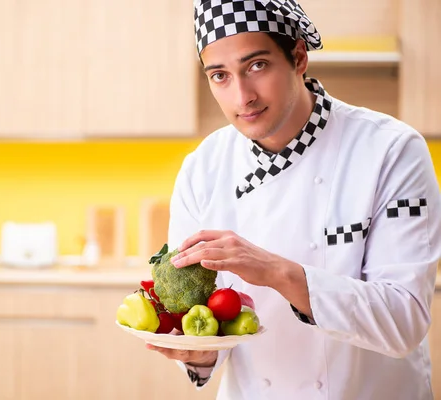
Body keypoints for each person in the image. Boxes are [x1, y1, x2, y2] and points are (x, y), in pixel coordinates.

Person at [146, 0, 441, 399]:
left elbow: (403, 321)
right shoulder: (203, 169)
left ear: (299, 57)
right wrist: (196, 354)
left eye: (256, 66)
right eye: (220, 76)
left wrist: (278, 272)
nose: (242, 96)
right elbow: (204, 324)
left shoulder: (391, 150)